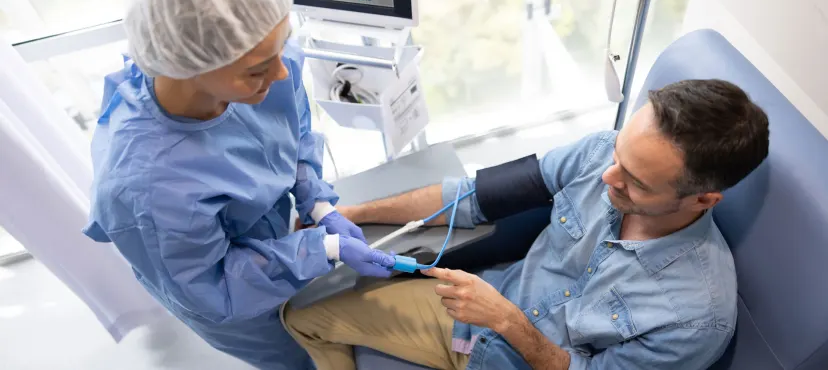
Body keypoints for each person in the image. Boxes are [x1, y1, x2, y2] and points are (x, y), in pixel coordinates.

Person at [283, 79, 770, 370]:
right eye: (619, 155)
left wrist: (507, 321)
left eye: (636, 182)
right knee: (301, 316)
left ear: (703, 198)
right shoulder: (601, 152)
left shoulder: (695, 316)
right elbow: (472, 196)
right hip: (472, 315)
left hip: (512, 337)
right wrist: (352, 214)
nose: (607, 177)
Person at [82, 0, 395, 370]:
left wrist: (317, 204)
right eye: (258, 69)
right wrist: (318, 251)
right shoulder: (147, 189)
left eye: (281, 47)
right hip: (232, 300)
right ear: (190, 67)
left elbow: (294, 125)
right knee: (300, 353)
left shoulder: (262, 59)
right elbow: (213, 288)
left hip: (266, 232)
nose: (282, 71)